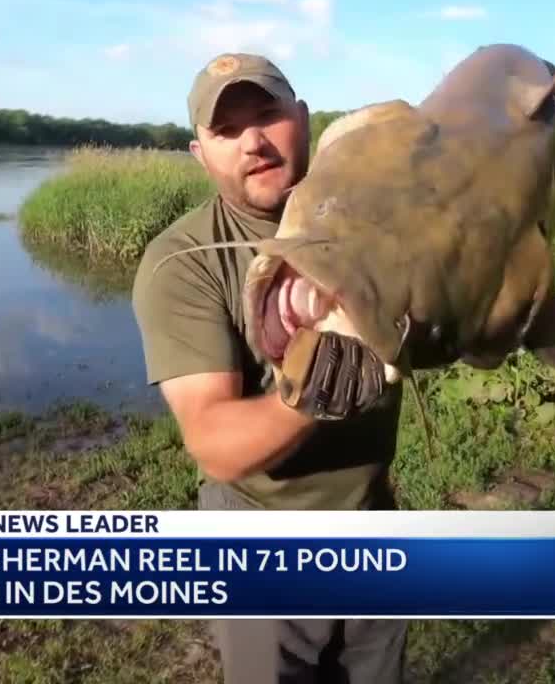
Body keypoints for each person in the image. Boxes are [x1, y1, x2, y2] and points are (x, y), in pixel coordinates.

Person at [130, 52, 408, 683]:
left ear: (303, 119)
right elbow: (215, 446)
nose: (253, 141)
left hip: (371, 516)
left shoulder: (371, 222)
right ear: (201, 154)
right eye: (225, 131)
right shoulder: (182, 261)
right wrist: (305, 393)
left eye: (267, 115)